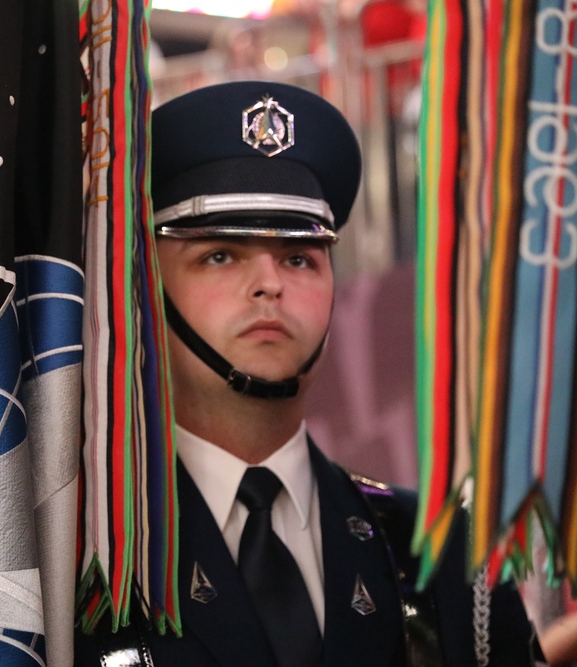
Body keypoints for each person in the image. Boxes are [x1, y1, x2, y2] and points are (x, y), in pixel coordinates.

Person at [74, 81, 542, 665]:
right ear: (143, 293)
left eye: (299, 257)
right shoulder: (81, 560)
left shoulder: (444, 554)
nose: (271, 284)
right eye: (220, 254)